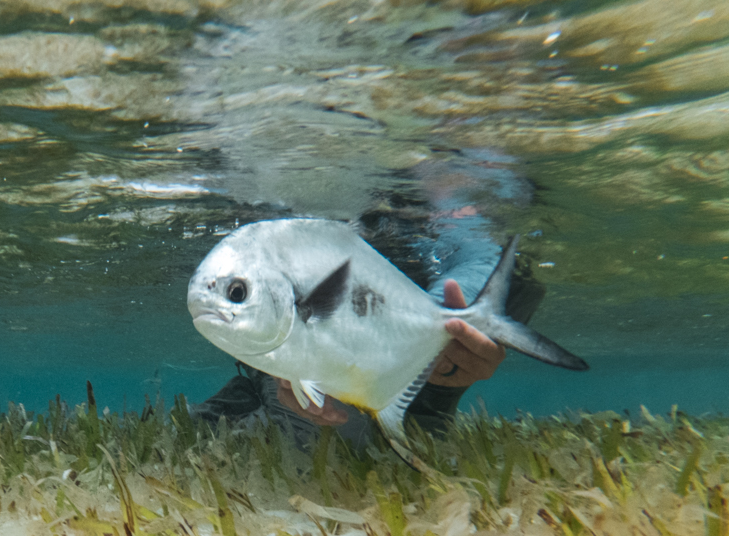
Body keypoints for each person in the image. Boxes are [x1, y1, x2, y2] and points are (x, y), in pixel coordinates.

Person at [188, 149, 547, 447]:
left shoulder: (432, 208)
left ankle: (430, 396)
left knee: (406, 443)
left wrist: (455, 315)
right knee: (291, 435)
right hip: (299, 358)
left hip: (425, 377)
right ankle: (258, 384)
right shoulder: (278, 241)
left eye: (236, 294)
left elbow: (474, 245)